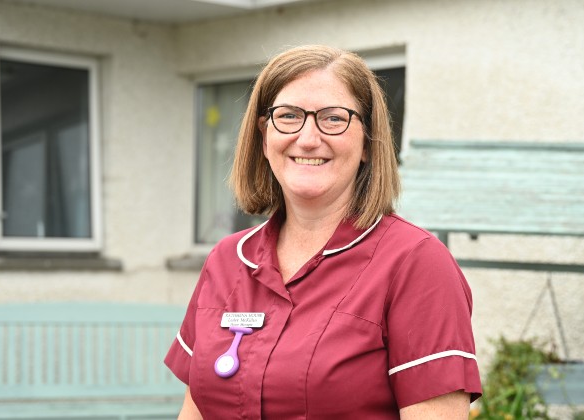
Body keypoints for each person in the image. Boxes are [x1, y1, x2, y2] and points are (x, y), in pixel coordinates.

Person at [164, 44, 482, 419]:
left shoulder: (416, 263)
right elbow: (195, 410)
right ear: (264, 137)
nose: (308, 137)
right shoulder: (227, 260)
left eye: (333, 118)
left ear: (367, 142)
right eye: (288, 116)